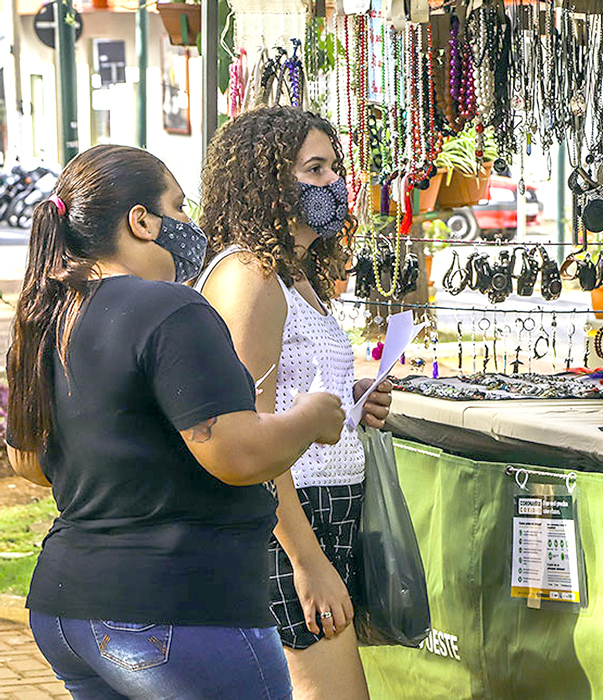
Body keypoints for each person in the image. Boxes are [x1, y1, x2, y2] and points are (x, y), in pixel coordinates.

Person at [5, 144, 348, 700]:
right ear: (141, 221)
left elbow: (31, 465)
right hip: (178, 609)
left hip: (68, 610)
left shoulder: (45, 316)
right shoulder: (172, 310)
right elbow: (238, 456)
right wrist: (312, 417)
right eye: (179, 208)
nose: (191, 226)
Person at [198, 106, 392, 700]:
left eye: (334, 167)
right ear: (267, 180)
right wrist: (307, 564)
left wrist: (351, 400)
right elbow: (246, 434)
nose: (334, 183)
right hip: (288, 524)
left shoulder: (291, 273)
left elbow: (286, 396)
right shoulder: (250, 277)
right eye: (315, 169)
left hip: (317, 513)